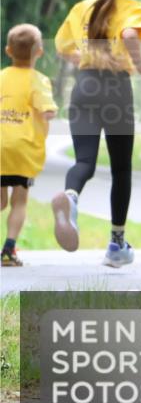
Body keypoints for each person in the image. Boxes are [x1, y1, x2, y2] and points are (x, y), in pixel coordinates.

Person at [52, 0, 141, 268]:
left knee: (84, 161)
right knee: (121, 169)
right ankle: (116, 244)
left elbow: (62, 47)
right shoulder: (135, 8)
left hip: (84, 86)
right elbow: (128, 34)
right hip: (115, 88)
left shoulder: (82, 8)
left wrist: (87, 59)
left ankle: (70, 197)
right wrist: (139, 65)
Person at [1, 25, 58, 267]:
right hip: (24, 150)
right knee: (19, 201)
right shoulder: (39, 80)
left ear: (8, 50)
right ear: (39, 52)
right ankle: (9, 250)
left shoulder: (2, 76)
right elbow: (47, 111)